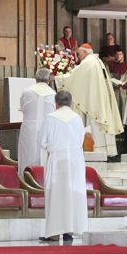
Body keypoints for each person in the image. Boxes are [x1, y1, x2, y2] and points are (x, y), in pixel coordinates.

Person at [38, 90, 88, 244]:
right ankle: (69, 231)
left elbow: (41, 141)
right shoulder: (77, 118)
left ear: (56, 103)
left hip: (57, 160)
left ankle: (54, 233)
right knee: (72, 194)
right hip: (75, 161)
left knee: (56, 195)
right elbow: (81, 140)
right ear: (71, 103)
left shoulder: (50, 118)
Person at [58, 46, 123, 156]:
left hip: (93, 100)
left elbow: (73, 77)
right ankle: (104, 150)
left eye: (79, 54)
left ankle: (97, 150)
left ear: (84, 52)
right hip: (98, 98)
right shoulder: (97, 61)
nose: (78, 57)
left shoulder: (88, 62)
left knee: (94, 123)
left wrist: (57, 78)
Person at [17, 68, 56, 175]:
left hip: (29, 128)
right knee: (44, 157)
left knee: (27, 154)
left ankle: (25, 179)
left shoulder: (27, 92)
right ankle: (42, 180)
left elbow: (23, 107)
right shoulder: (53, 94)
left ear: (35, 78)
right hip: (47, 129)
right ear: (49, 79)